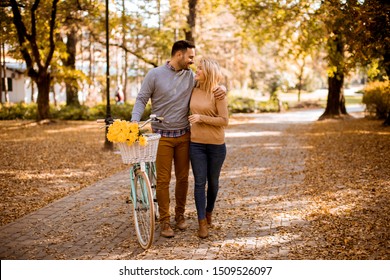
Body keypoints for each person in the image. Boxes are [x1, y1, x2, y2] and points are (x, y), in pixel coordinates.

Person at [131, 40, 226, 238]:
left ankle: (179, 216)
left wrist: (223, 88)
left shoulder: (191, 77)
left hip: (184, 136)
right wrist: (134, 121)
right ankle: (165, 221)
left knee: (183, 179)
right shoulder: (154, 75)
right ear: (179, 55)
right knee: (164, 180)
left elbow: (211, 84)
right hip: (162, 136)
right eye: (190, 57)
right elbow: (141, 99)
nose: (192, 61)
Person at [188, 57, 228, 238]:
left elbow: (224, 121)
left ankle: (209, 211)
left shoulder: (218, 93)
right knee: (199, 182)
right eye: (196, 68)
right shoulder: (193, 89)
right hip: (196, 144)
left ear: (209, 72)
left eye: (200, 69)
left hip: (216, 146)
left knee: (213, 183)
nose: (196, 71)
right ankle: (201, 221)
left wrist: (201, 118)